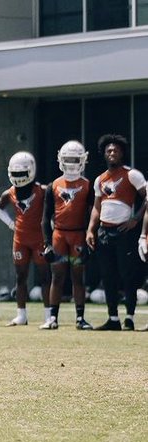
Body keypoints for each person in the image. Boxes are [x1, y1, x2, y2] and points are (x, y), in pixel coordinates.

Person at [86, 134, 146, 331]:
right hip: (104, 232)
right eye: (109, 150)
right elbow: (96, 207)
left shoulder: (131, 175)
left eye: (116, 150)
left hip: (124, 232)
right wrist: (90, 230)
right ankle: (113, 319)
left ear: (122, 153)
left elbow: (147, 198)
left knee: (127, 275)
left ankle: (129, 317)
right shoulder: (100, 179)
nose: (112, 153)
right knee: (108, 275)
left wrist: (136, 219)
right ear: (104, 153)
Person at [40, 140, 93, 330]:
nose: (71, 162)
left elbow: (91, 215)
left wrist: (89, 237)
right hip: (59, 236)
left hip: (78, 235)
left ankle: (80, 318)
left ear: (83, 160)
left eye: (75, 159)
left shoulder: (88, 185)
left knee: (78, 277)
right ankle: (52, 318)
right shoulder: (53, 185)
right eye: (68, 158)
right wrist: (47, 243)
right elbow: (46, 218)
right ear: (60, 160)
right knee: (57, 277)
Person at [0, 151, 52, 327]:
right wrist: (11, 224)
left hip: (39, 239)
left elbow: (52, 210)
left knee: (45, 277)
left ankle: (49, 315)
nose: (19, 178)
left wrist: (51, 227)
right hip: (20, 239)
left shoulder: (42, 190)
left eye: (22, 173)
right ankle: (21, 315)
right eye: (16, 174)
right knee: (20, 277)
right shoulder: (9, 192)